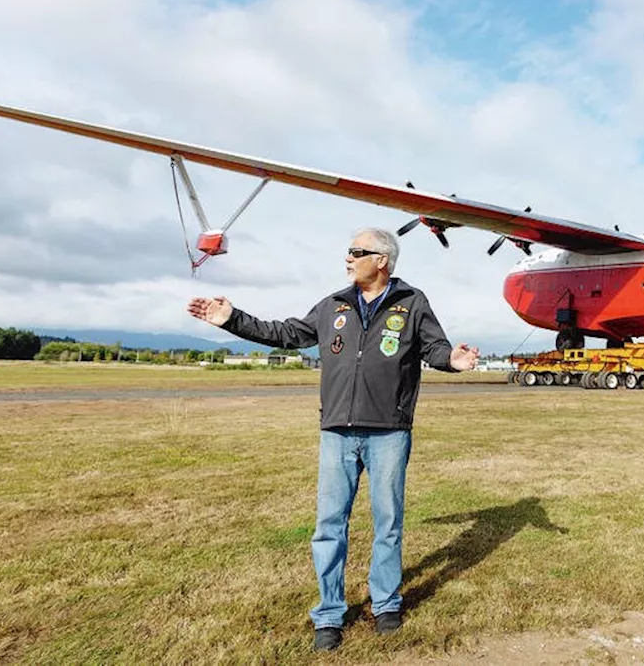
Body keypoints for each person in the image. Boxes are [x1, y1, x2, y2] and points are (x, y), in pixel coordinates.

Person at [186, 227, 479, 652]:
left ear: (382, 260)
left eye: (356, 251)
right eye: (348, 250)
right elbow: (286, 333)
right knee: (329, 526)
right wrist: (232, 319)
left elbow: (435, 349)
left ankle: (386, 603)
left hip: (389, 432)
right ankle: (329, 612)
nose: (347, 257)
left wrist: (453, 360)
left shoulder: (412, 303)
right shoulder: (334, 305)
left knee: (388, 523)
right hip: (337, 432)